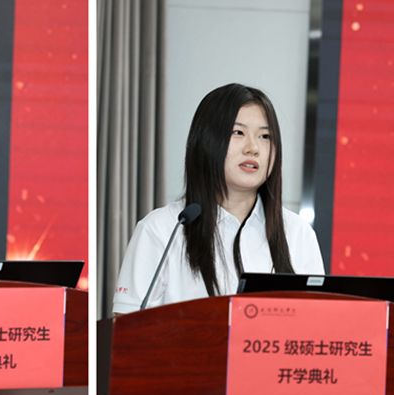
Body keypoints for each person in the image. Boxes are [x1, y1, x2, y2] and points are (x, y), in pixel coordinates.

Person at [113, 83, 325, 314]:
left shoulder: (297, 233)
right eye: (238, 133)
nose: (253, 148)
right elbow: (125, 327)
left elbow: (316, 322)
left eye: (265, 136)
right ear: (206, 141)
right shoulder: (162, 229)